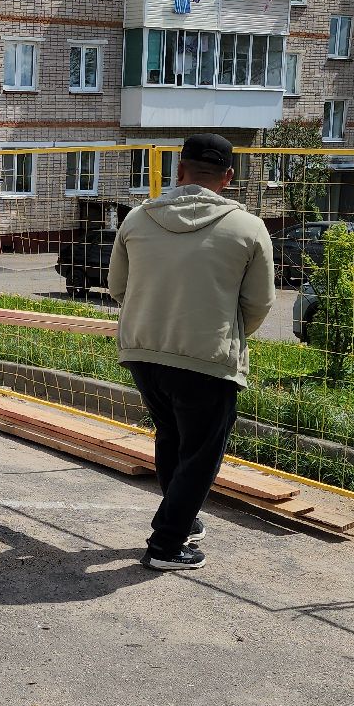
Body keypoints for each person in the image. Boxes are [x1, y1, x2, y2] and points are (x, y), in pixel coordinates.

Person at [105, 134, 274, 571]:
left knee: (171, 438)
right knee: (200, 455)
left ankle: (181, 517)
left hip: (142, 352)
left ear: (179, 171)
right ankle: (166, 545)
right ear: (228, 177)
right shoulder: (248, 228)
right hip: (205, 358)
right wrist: (227, 334)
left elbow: (118, 287)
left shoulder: (137, 219)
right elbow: (259, 304)